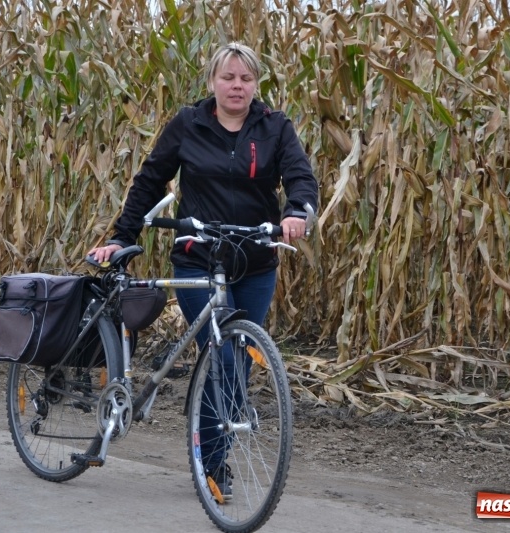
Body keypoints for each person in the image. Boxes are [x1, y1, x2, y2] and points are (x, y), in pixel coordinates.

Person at [89, 42, 318, 500]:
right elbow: (150, 180)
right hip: (198, 256)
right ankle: (213, 465)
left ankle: (211, 450)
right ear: (212, 81)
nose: (237, 86)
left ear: (256, 84)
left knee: (240, 358)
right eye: (228, 77)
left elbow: (301, 178)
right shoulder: (188, 125)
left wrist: (297, 212)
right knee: (224, 360)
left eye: (246, 79)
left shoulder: (275, 128)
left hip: (254, 261)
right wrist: (120, 237)